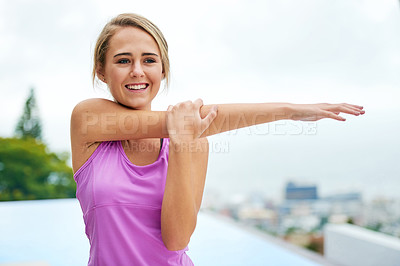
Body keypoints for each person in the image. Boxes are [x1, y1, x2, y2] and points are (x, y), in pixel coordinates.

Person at [70, 13, 365, 266]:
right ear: (102, 71)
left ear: (162, 70)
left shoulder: (194, 141)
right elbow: (187, 120)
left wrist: (185, 141)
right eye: (123, 60)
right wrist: (288, 111)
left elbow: (176, 239)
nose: (137, 71)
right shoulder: (88, 120)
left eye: (149, 60)